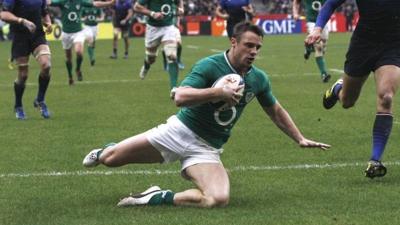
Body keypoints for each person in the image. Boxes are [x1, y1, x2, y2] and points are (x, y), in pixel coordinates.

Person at [83, 22, 330, 207]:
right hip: (178, 132)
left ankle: (155, 197)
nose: (253, 51)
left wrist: (299, 138)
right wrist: (217, 92)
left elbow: (275, 110)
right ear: (233, 42)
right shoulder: (210, 65)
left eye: (257, 47)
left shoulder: (258, 78)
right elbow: (180, 97)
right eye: (248, 45)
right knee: (111, 159)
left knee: (217, 199)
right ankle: (107, 149)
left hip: (207, 148)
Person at [306, 0, 400, 178]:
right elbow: (330, 4)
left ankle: (375, 161)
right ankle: (338, 89)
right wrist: (318, 28)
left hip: (394, 45)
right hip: (363, 45)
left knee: (386, 97)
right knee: (347, 101)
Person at [1, 0, 53, 119]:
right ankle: (18, 106)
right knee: (23, 75)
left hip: (37, 35)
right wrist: (22, 21)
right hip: (20, 37)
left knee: (46, 65)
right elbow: (3, 15)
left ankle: (40, 100)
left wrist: (48, 23)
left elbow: (44, 12)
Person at [47, 0, 115, 85]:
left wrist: (109, 3)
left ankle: (78, 69)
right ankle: (70, 77)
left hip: (78, 32)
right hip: (66, 34)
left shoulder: (80, 1)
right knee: (68, 58)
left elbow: (95, 4)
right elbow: (49, 3)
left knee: (79, 52)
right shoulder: (62, 1)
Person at [134, 0, 183, 90]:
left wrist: (181, 8)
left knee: (171, 55)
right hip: (153, 29)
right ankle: (146, 66)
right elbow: (136, 7)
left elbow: (179, 1)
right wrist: (152, 13)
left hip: (168, 27)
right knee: (151, 58)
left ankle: (174, 88)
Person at [293, 0, 331, 83]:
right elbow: (296, 1)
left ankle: (308, 48)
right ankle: (324, 74)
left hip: (323, 22)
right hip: (312, 22)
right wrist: (295, 13)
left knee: (323, 50)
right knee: (319, 47)